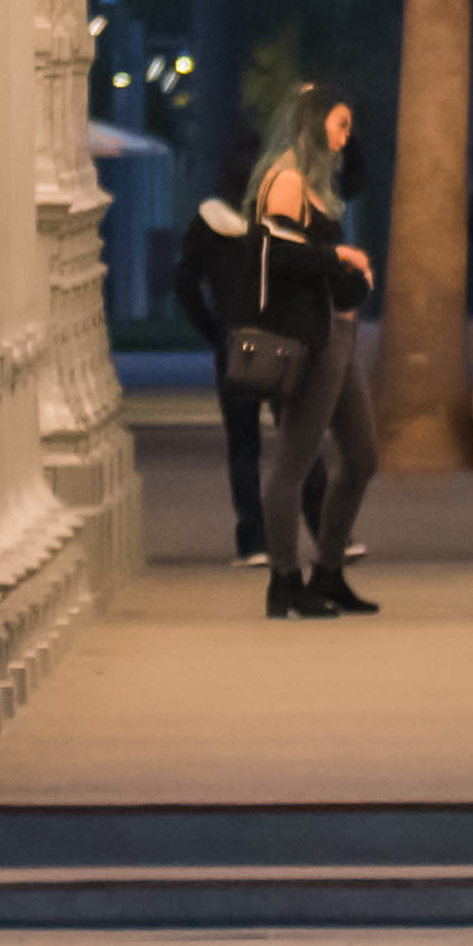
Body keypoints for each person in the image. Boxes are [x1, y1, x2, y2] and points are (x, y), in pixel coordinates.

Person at [249, 139, 384, 612]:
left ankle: (328, 571)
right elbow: (279, 258)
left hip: (339, 333)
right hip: (311, 341)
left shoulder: (314, 184)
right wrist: (341, 258)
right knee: (295, 461)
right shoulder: (285, 181)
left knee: (362, 455)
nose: (345, 137)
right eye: (338, 122)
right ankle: (284, 579)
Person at [181, 183, 281, 563]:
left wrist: (213, 332)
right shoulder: (274, 222)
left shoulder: (205, 226)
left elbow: (185, 285)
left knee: (243, 445)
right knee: (297, 439)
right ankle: (327, 532)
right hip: (280, 341)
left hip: (235, 343)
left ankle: (253, 540)